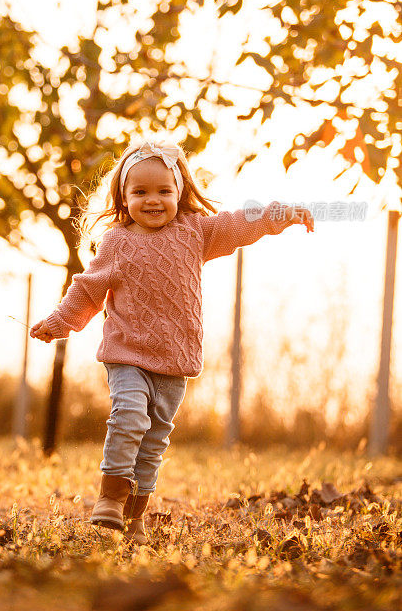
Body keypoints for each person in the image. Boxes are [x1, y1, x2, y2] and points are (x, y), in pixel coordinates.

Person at [30, 139, 314, 545]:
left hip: (175, 360)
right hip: (126, 353)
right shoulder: (118, 241)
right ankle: (109, 499)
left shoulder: (196, 231)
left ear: (180, 192)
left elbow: (239, 223)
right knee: (129, 414)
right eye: (140, 192)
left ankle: (134, 519)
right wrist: (60, 320)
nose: (153, 200)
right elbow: (89, 289)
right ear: (124, 199)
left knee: (153, 442)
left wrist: (280, 214)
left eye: (164, 190)